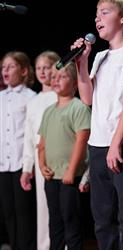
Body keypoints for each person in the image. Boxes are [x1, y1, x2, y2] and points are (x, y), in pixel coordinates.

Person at [72, 0, 123, 249]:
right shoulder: (101, 56)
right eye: (96, 14)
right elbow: (87, 98)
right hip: (98, 144)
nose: (98, 18)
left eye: (105, 12)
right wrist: (81, 63)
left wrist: (116, 144)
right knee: (103, 220)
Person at [38, 62, 90, 250]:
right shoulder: (49, 111)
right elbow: (42, 144)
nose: (56, 80)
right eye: (54, 77)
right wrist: (41, 164)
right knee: (55, 223)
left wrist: (71, 170)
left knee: (72, 223)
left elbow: (81, 141)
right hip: (51, 176)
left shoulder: (78, 107)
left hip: (70, 178)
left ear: (75, 83)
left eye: (62, 77)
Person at [20, 50, 60, 250]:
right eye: (39, 68)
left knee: (61, 208)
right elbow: (29, 137)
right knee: (43, 206)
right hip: (39, 157)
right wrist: (27, 167)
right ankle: (45, 246)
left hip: (59, 155)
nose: (43, 72)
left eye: (47, 67)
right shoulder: (34, 101)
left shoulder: (60, 96)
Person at [0, 51, 37, 250]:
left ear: (23, 71)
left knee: (24, 214)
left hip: (22, 165)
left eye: (10, 66)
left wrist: (28, 166)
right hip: (3, 165)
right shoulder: (0, 98)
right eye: (3, 67)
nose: (5, 70)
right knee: (8, 213)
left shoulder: (31, 97)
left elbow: (31, 134)